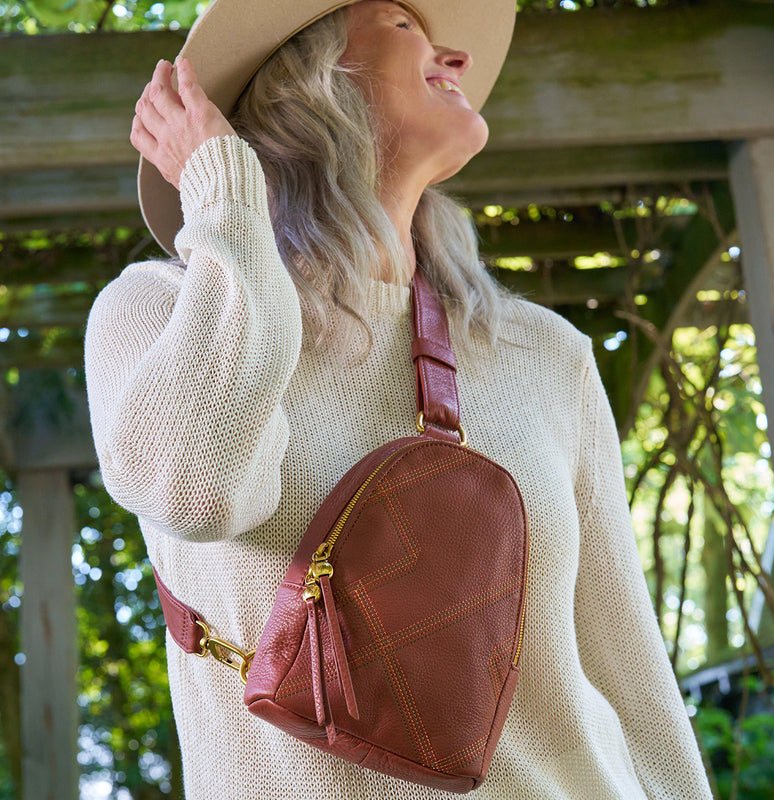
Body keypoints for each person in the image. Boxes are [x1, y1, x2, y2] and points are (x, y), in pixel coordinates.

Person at [84, 1, 714, 797]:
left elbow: (631, 674)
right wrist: (224, 196)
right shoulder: (160, 314)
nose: (455, 54)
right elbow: (198, 488)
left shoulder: (541, 353)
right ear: (307, 82)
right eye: (403, 24)